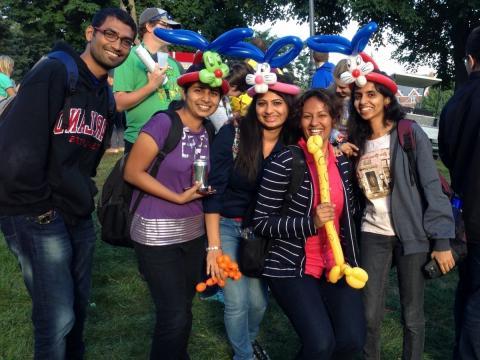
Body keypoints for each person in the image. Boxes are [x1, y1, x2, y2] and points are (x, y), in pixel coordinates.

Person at [0, 8, 136, 359]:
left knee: (76, 311)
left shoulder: (104, 96)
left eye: (126, 41)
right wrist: (41, 209)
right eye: (110, 35)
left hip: (76, 211)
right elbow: (17, 149)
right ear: (91, 34)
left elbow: (88, 161)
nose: (117, 46)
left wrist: (81, 197)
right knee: (56, 317)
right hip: (37, 212)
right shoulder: (55, 71)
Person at [346, 61, 455, 359]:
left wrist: (442, 240)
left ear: (387, 99)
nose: (363, 102)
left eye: (371, 95)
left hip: (411, 234)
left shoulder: (408, 133)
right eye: (358, 96)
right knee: (368, 314)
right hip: (373, 234)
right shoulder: (355, 140)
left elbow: (432, 186)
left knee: (412, 315)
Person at [123, 55, 228, 359]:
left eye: (212, 93)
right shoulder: (163, 122)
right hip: (156, 235)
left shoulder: (210, 132)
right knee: (174, 314)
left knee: (182, 309)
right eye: (198, 91)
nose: (205, 99)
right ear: (185, 93)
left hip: (193, 235)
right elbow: (133, 171)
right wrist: (178, 197)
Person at [252, 88, 365, 359]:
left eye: (323, 115)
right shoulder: (286, 161)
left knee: (352, 340)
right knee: (320, 344)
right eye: (307, 117)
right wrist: (309, 223)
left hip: (335, 264)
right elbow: (261, 222)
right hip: (291, 266)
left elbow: (348, 215)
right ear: (299, 121)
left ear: (334, 119)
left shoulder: (341, 163)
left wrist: (352, 260)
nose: (315, 123)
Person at [204, 72, 300, 360]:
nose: (269, 110)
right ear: (253, 105)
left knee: (258, 303)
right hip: (227, 226)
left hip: (263, 233)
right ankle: (243, 356)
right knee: (236, 300)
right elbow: (213, 191)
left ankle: (247, 342)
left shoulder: (295, 142)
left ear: (289, 107)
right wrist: (213, 245)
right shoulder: (232, 134)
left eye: (277, 103)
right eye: (262, 103)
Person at [439, 25, 480, 359]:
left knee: (468, 290)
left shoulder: (455, 103)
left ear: (470, 60)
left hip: (465, 216)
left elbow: (448, 155)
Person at [113, 7, 183, 153]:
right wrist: (151, 86)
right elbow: (119, 103)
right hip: (141, 141)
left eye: (171, 26)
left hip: (173, 140)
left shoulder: (174, 64)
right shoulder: (129, 57)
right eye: (165, 25)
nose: (170, 30)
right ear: (149, 26)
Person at [207, 61, 253, 132]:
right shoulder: (216, 103)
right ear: (234, 86)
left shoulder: (224, 97)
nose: (242, 94)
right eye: (243, 91)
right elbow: (223, 128)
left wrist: (233, 116)